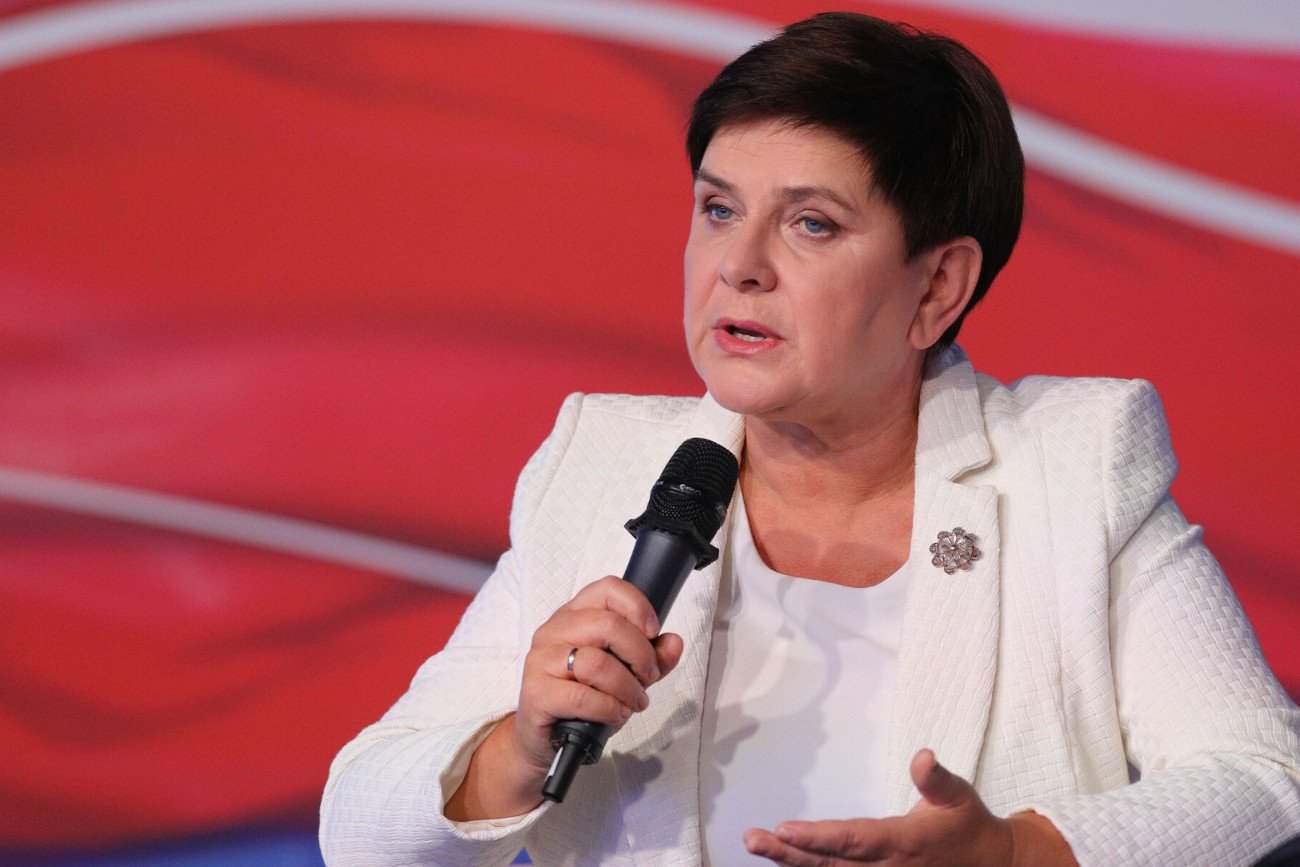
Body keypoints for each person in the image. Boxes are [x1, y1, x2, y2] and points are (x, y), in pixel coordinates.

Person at [319, 12, 1300, 866]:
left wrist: (1017, 853)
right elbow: (357, 832)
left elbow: (1269, 777)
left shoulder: (1070, 469)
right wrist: (514, 749)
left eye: (812, 225)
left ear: (938, 287)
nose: (737, 266)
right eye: (718, 209)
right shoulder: (603, 464)